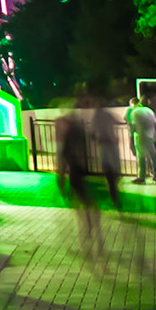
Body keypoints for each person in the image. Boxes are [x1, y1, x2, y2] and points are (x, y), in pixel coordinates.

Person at [55, 98, 100, 256]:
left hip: (75, 171)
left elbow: (63, 157)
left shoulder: (69, 133)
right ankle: (91, 228)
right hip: (82, 170)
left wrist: (60, 175)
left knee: (81, 204)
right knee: (87, 203)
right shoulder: (79, 130)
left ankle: (87, 229)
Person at [127, 96, 156, 184]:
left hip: (140, 136)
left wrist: (132, 134)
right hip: (150, 135)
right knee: (153, 155)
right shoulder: (148, 110)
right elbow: (155, 123)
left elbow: (133, 126)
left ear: (132, 104)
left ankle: (141, 177)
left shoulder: (134, 112)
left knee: (141, 157)